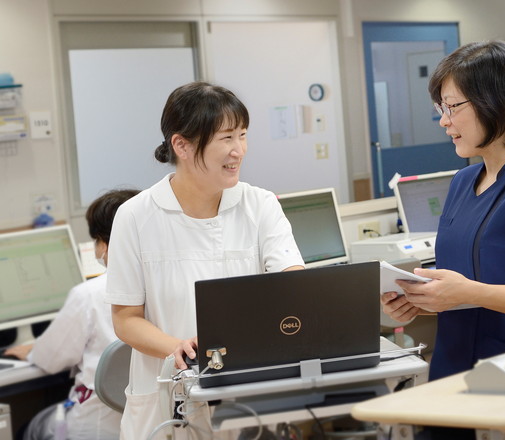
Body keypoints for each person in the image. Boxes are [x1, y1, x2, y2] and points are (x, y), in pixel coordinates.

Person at [105, 81, 305, 439]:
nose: (239, 150)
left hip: (248, 396)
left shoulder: (259, 205)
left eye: (242, 135)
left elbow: (293, 285)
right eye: (226, 138)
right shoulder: (135, 216)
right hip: (166, 401)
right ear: (181, 144)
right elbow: (125, 319)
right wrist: (177, 348)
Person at [382, 40, 505, 381]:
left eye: (452, 107)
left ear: (497, 103)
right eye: (440, 108)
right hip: (452, 366)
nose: (443, 121)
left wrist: (468, 291)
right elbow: (463, 289)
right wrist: (421, 301)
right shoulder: (463, 181)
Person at [4, 188, 139, 440]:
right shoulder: (171, 287)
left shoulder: (89, 294)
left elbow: (50, 359)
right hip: (153, 426)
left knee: (27, 429)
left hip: (98, 427)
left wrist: (33, 350)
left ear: (103, 243)